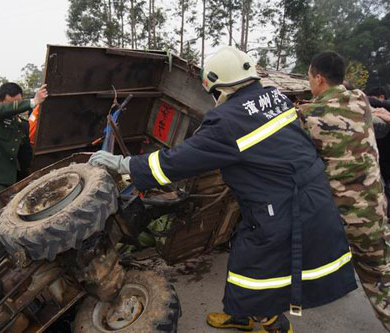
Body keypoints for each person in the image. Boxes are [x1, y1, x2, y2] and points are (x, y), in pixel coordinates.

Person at [90, 46, 357, 333]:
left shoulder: (227, 120)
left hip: (284, 207)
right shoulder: (274, 97)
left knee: (260, 271)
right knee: (244, 256)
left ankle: (273, 323)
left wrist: (126, 164)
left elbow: (179, 160)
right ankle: (241, 315)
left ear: (219, 87)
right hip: (307, 194)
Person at [299, 51, 390, 331]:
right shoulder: (360, 100)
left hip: (346, 217)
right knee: (382, 275)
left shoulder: (308, 116)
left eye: (310, 77)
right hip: (376, 206)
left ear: (319, 78)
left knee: (378, 287)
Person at [0, 82, 47, 245]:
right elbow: (3, 110)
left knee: (11, 215)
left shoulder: (20, 123)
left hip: (9, 174)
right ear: (0, 100)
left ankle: (5, 250)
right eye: (11, 103)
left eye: (18, 102)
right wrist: (32, 102)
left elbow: (24, 151)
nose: (15, 107)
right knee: (0, 216)